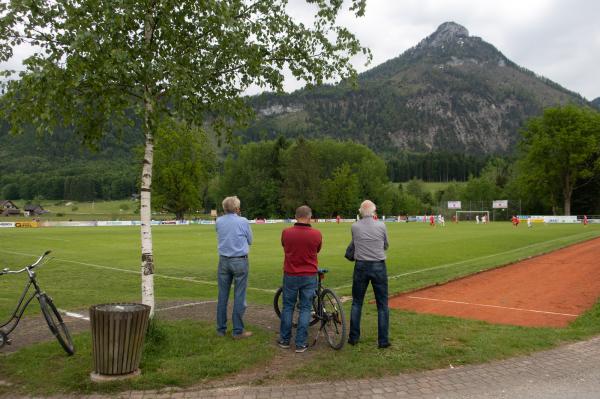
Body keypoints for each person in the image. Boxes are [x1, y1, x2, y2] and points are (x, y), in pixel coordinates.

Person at [278, 205, 322, 353]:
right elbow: (317, 249)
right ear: (309, 217)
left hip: (290, 274)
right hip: (309, 275)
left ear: (296, 216)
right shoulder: (316, 234)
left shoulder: (286, 232)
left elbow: (284, 246)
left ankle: (284, 340)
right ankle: (300, 343)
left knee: (288, 306)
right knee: (305, 308)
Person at [348, 200, 390, 349]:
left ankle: (353, 338)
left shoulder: (354, 226)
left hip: (361, 266)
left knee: (357, 303)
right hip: (378, 265)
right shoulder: (381, 225)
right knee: (382, 305)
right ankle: (383, 340)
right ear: (374, 211)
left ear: (360, 211)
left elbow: (355, 243)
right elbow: (386, 245)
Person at [215, 196, 253, 339]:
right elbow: (250, 240)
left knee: (222, 296)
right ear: (237, 208)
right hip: (239, 261)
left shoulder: (219, 221)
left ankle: (220, 329)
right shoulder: (242, 221)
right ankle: (238, 331)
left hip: (224, 261)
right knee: (239, 296)